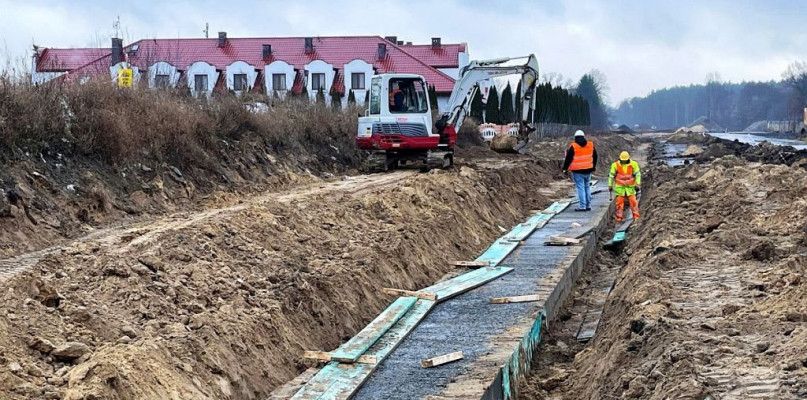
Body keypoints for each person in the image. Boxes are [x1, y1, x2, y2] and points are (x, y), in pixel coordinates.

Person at [562, 130, 598, 211]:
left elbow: (568, 159)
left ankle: (582, 206)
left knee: (581, 188)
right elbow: (595, 156)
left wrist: (565, 168)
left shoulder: (574, 146)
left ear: (575, 137)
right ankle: (588, 205)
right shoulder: (590, 145)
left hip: (578, 172)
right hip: (588, 170)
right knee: (587, 187)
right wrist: (593, 166)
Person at [608, 151, 642, 222]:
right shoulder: (615, 165)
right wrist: (610, 184)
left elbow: (637, 174)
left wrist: (637, 183)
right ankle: (619, 218)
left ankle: (636, 216)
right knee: (619, 203)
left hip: (630, 187)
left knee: (633, 202)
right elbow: (611, 176)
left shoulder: (633, 164)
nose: (624, 162)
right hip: (620, 188)